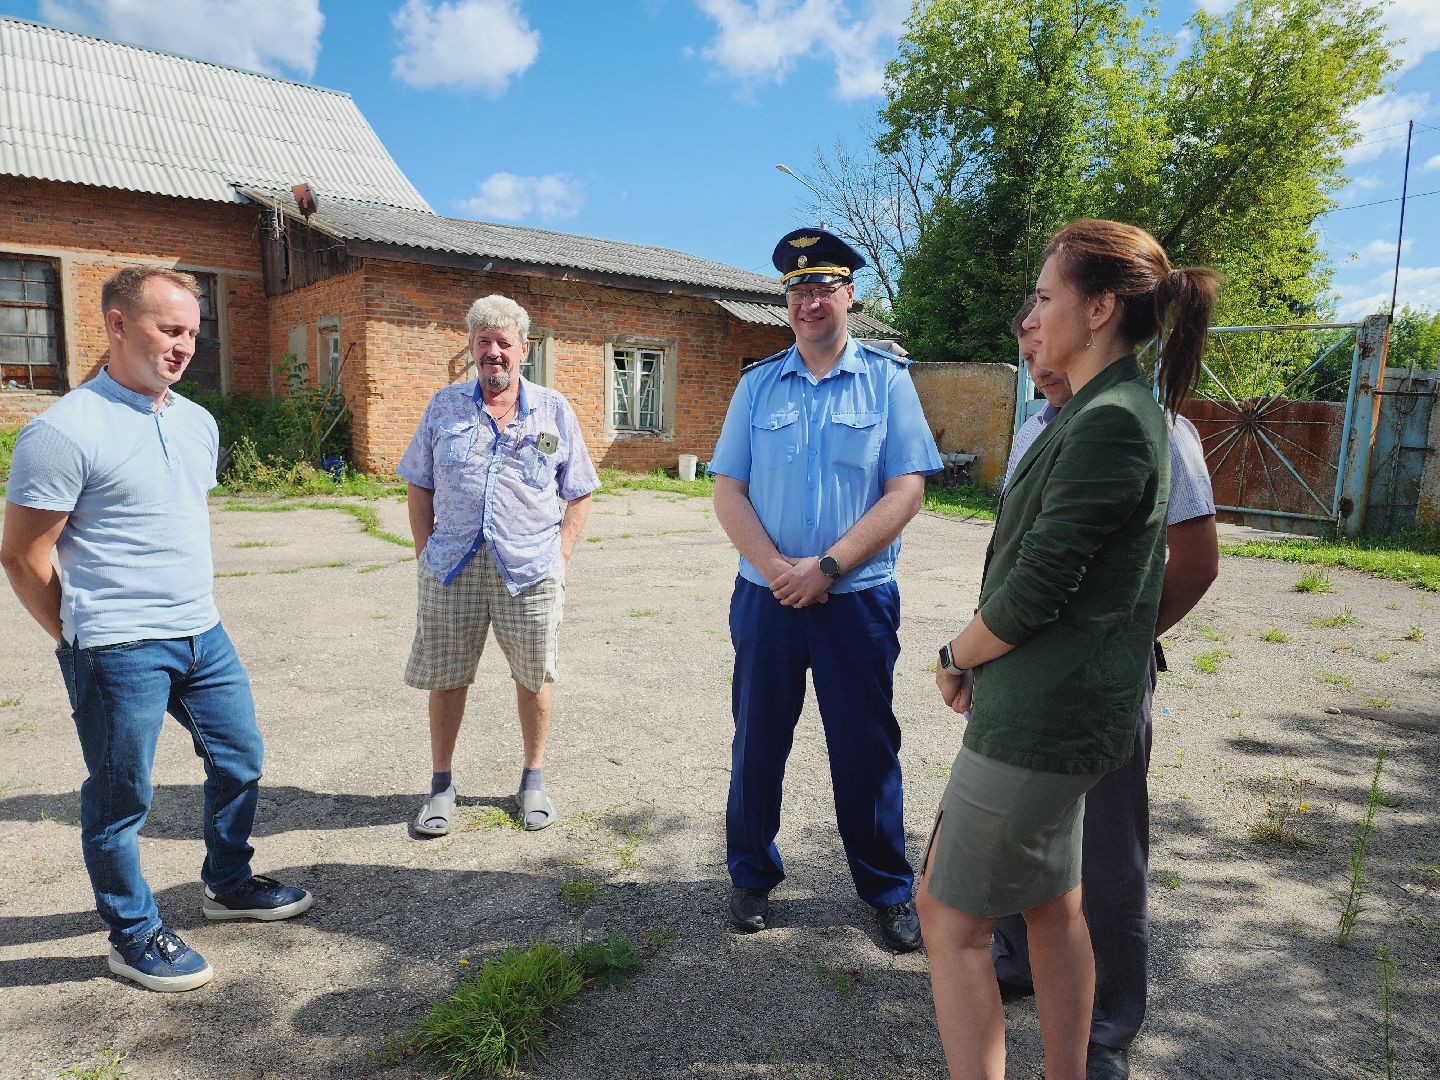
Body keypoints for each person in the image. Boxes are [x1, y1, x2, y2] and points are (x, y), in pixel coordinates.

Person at [918, 219, 1219, 1079]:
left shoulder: (1115, 421)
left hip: (1044, 722)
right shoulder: (1092, 411)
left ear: (1099, 307)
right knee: (1054, 906)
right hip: (1055, 711)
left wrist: (957, 652)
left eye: (1047, 296)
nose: (1034, 315)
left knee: (948, 919)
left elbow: (1037, 587)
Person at [1, 266, 313, 993]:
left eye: (192, 334)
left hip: (201, 630)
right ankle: (132, 933)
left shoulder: (196, 421)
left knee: (239, 759)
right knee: (121, 800)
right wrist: (79, 636)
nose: (184, 348)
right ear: (116, 324)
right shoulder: (63, 431)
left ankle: (227, 885)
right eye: (169, 330)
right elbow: (21, 555)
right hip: (116, 646)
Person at [991, 297, 1219, 1080]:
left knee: (1109, 853)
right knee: (1023, 828)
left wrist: (1124, 637)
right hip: (1025, 677)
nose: (1032, 358)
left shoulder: (1157, 427)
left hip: (1101, 682)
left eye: (1038, 338)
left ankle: (1109, 1027)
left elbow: (1196, 562)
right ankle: (1018, 958)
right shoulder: (1034, 427)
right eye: (1023, 349)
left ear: (1084, 331)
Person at [710, 227, 942, 952]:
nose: (810, 300)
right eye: (797, 289)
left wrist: (828, 567)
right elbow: (728, 491)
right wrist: (782, 571)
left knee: (865, 748)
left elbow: (907, 489)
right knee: (758, 743)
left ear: (850, 295)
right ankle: (751, 876)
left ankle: (887, 890)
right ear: (787, 303)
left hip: (857, 601)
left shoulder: (888, 381)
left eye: (823, 286)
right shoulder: (756, 386)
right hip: (768, 598)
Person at [398, 294, 598, 837]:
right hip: (452, 566)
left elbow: (578, 492)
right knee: (447, 677)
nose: (494, 352)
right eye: (484, 342)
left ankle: (533, 780)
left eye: (504, 342)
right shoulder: (444, 407)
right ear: (471, 347)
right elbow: (418, 483)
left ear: (523, 349)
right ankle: (441, 787)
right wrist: (424, 552)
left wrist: (560, 556)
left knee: (534, 677)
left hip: (530, 567)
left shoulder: (553, 410)